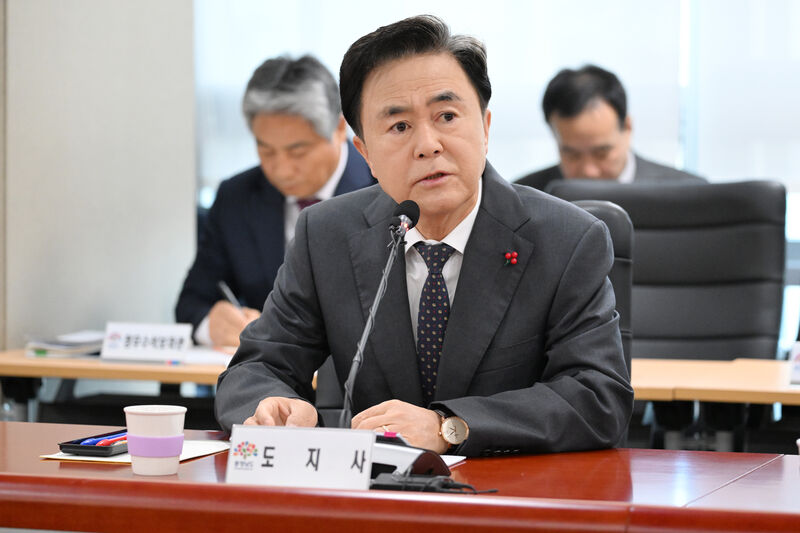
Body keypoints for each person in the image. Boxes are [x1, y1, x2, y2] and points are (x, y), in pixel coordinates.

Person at [215, 15, 633, 457]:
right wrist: (273, 407)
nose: (428, 144)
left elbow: (597, 396)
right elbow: (256, 367)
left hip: (514, 488)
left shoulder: (567, 239)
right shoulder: (326, 234)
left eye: (447, 116)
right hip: (374, 492)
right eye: (399, 126)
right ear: (365, 153)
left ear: (485, 127)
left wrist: (449, 427)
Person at [176, 55, 375, 347]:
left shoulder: (384, 188)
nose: (281, 170)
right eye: (266, 150)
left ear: (339, 128)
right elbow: (192, 303)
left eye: (298, 151)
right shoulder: (237, 198)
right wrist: (213, 323)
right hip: (270, 372)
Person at [516, 65, 704, 191]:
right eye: (572, 155)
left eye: (602, 153)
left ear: (627, 128)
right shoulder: (524, 199)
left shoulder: (690, 193)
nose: (589, 171)